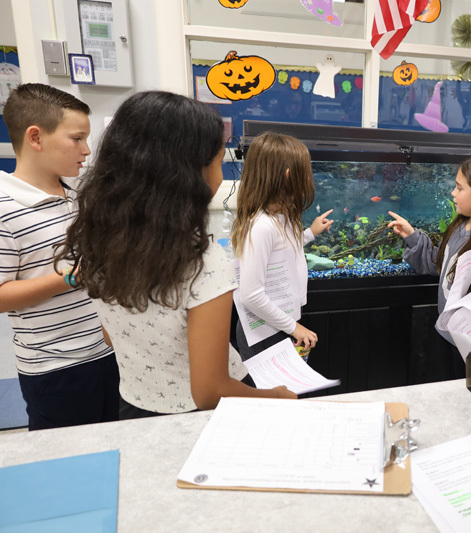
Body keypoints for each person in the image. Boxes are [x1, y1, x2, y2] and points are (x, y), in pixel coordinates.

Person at [57, 91, 296, 419]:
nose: (222, 174)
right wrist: (275, 396)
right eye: (217, 161)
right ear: (190, 172)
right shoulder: (202, 262)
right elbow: (211, 391)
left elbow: (112, 336)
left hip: (134, 403)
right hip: (203, 418)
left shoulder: (98, 238)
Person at [0, 83, 118, 430]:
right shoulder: (5, 208)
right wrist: (72, 277)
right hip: (55, 369)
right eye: (77, 138)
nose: (86, 150)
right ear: (35, 138)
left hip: (106, 351)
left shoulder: (76, 195)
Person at [388, 155, 471, 379]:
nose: (453, 193)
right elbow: (441, 264)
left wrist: (468, 326)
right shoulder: (461, 226)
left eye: (459, 188)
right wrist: (412, 236)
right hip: (447, 335)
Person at [231, 132, 333, 360]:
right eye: (306, 172)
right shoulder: (261, 226)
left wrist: (310, 233)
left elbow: (283, 250)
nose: (309, 178)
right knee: (273, 394)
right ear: (288, 176)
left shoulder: (281, 217)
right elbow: (250, 295)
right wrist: (295, 328)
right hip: (263, 333)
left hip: (279, 322)